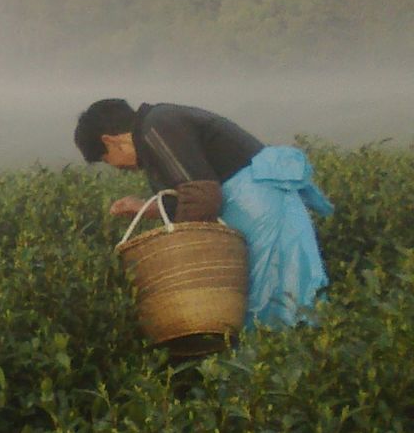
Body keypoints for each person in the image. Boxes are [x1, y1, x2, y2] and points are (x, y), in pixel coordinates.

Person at [73, 98, 334, 330]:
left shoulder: (156, 128)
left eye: (107, 160)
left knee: (276, 298)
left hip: (260, 209)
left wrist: (182, 256)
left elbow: (202, 194)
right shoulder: (157, 126)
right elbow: (191, 191)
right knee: (271, 299)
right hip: (256, 207)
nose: (117, 168)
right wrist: (145, 208)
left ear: (110, 141)